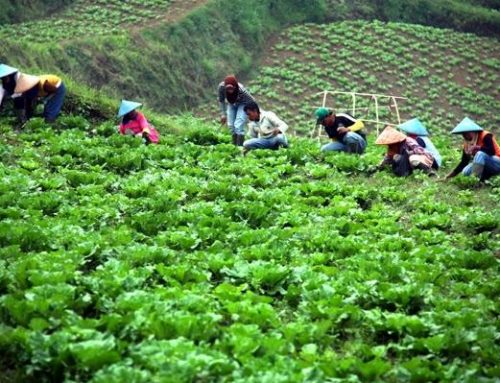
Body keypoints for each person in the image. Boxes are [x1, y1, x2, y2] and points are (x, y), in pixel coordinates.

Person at [0, 64, 66, 125]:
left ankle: (50, 125)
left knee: (50, 109)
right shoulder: (14, 84)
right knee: (31, 106)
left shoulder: (44, 84)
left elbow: (54, 90)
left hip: (57, 87)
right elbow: (26, 102)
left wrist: (47, 99)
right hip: (45, 90)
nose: (4, 79)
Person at [446, 117, 500, 182]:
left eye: (466, 133)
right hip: (486, 167)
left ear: (473, 131)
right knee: (466, 171)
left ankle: (475, 181)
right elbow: (464, 162)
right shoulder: (467, 144)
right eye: (463, 134)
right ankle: (482, 178)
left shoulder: (485, 135)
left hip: (496, 162)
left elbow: (491, 151)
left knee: (480, 154)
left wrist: (478, 147)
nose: (465, 136)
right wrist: (449, 176)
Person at [217, 75, 256, 146]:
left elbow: (252, 100)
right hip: (231, 104)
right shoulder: (221, 87)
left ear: (235, 86)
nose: (230, 91)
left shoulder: (241, 89)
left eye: (231, 89)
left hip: (243, 104)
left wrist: (253, 113)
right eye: (228, 89)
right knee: (231, 125)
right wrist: (223, 114)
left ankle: (240, 147)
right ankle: (234, 147)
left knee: (238, 124)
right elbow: (221, 100)